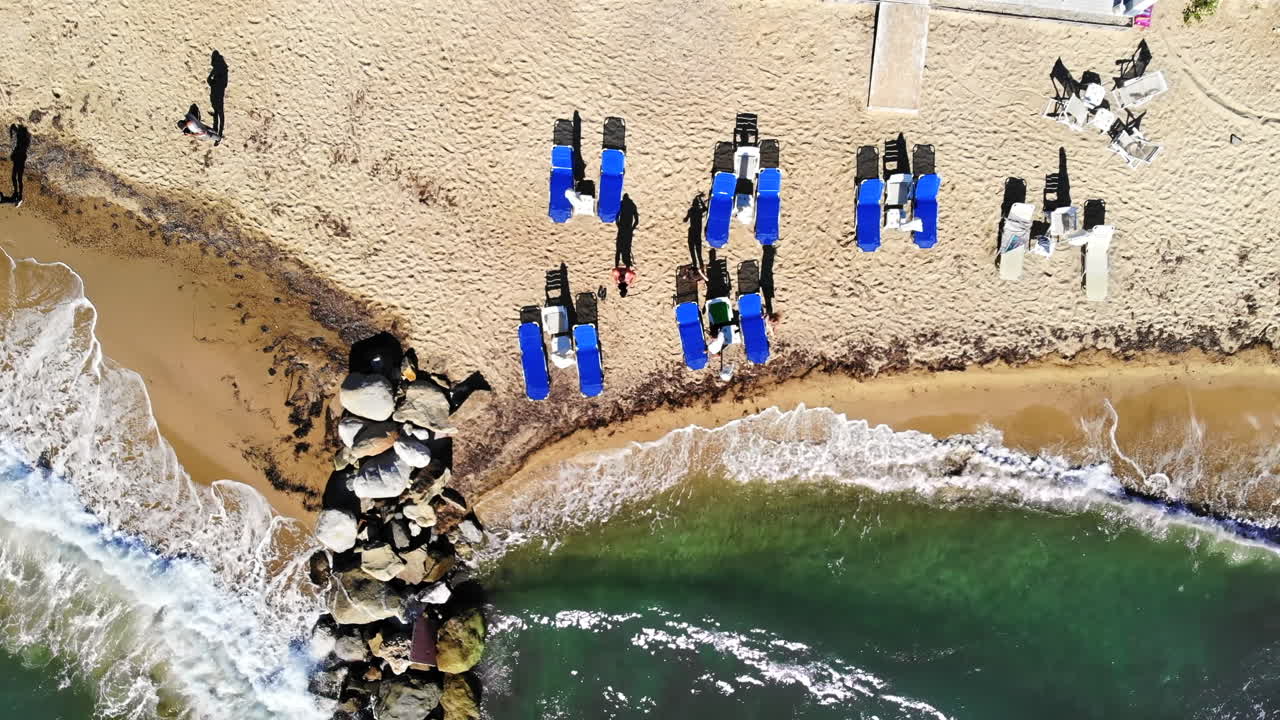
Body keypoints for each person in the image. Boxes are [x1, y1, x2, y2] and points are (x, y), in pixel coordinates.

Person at [683, 192, 708, 281]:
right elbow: (705, 208)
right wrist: (700, 200)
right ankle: (697, 265)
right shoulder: (698, 211)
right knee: (696, 252)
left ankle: (697, 265)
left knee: (696, 252)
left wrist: (700, 200)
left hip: (693, 231)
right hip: (696, 232)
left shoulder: (693, 211)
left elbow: (685, 219)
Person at [3, 123, 30, 206]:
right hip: (20, 159)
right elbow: (15, 129)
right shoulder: (24, 140)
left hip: (19, 159)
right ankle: (19, 194)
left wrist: (12, 130)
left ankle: (17, 193)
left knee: (16, 177)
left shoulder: (23, 140)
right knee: (18, 178)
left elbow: (14, 129)